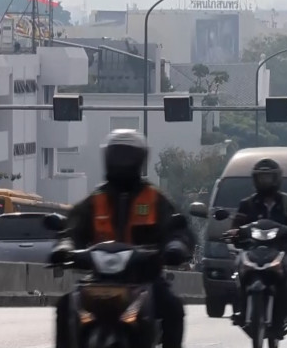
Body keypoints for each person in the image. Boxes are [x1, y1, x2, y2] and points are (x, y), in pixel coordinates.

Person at [50, 130, 195, 348]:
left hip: (144, 278)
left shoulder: (154, 198)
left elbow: (177, 229)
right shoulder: (94, 201)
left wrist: (176, 246)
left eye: (128, 156)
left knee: (173, 308)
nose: (122, 162)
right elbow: (72, 229)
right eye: (117, 155)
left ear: (140, 159)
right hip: (99, 280)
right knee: (65, 306)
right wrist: (64, 247)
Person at [228, 158, 287, 333]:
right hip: (252, 249)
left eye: (268, 177)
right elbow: (235, 226)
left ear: (277, 179)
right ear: (255, 180)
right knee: (237, 269)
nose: (265, 181)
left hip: (280, 249)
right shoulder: (246, 204)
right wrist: (234, 232)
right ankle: (239, 308)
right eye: (261, 177)